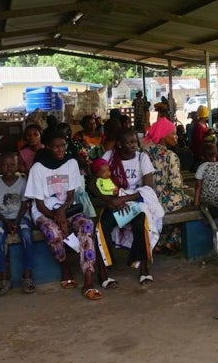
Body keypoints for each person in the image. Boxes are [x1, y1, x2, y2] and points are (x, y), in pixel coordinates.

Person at [25, 133, 102, 300]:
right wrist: (57, 218)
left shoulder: (71, 163)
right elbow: (39, 204)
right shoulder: (37, 168)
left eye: (63, 145)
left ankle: (88, 279)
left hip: (67, 208)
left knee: (86, 225)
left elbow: (71, 194)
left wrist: (62, 213)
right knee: (53, 231)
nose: (60, 149)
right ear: (48, 147)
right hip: (44, 211)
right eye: (56, 146)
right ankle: (65, 266)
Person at [94, 129, 163, 286]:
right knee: (101, 226)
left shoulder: (142, 158)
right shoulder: (109, 157)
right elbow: (94, 184)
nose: (133, 145)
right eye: (129, 142)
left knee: (142, 224)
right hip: (114, 201)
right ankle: (103, 272)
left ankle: (144, 269)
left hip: (135, 201)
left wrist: (125, 198)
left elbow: (148, 188)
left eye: (135, 142)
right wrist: (112, 201)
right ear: (119, 144)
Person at [0, 152, 34, 295]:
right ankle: (4, 277)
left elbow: (25, 205)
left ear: (18, 165)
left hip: (21, 217)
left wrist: (17, 221)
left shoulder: (23, 183)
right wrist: (6, 222)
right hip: (2, 218)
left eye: (12, 165)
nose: (9, 168)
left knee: (26, 235)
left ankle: (27, 275)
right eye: (5, 165)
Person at [143, 118, 191, 253]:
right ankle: (172, 240)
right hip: (162, 201)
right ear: (163, 137)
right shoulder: (170, 156)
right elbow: (176, 185)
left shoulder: (144, 152)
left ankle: (160, 241)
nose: (176, 137)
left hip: (147, 200)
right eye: (173, 134)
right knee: (189, 200)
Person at [194, 142, 218, 209]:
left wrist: (196, 203)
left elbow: (198, 186)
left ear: (203, 155)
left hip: (207, 201)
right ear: (216, 153)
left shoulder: (202, 167)